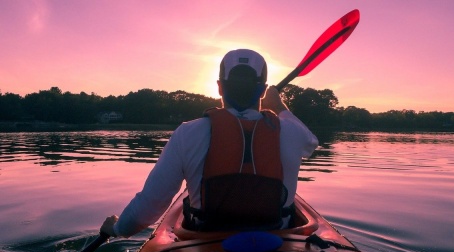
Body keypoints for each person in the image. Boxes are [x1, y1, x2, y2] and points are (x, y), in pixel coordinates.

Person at [101, 49, 318, 237]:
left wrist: (118, 229)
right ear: (262, 90)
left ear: (219, 87)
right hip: (277, 242)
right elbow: (311, 142)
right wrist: (278, 105)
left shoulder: (187, 133)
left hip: (206, 242)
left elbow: (150, 206)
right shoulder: (292, 132)